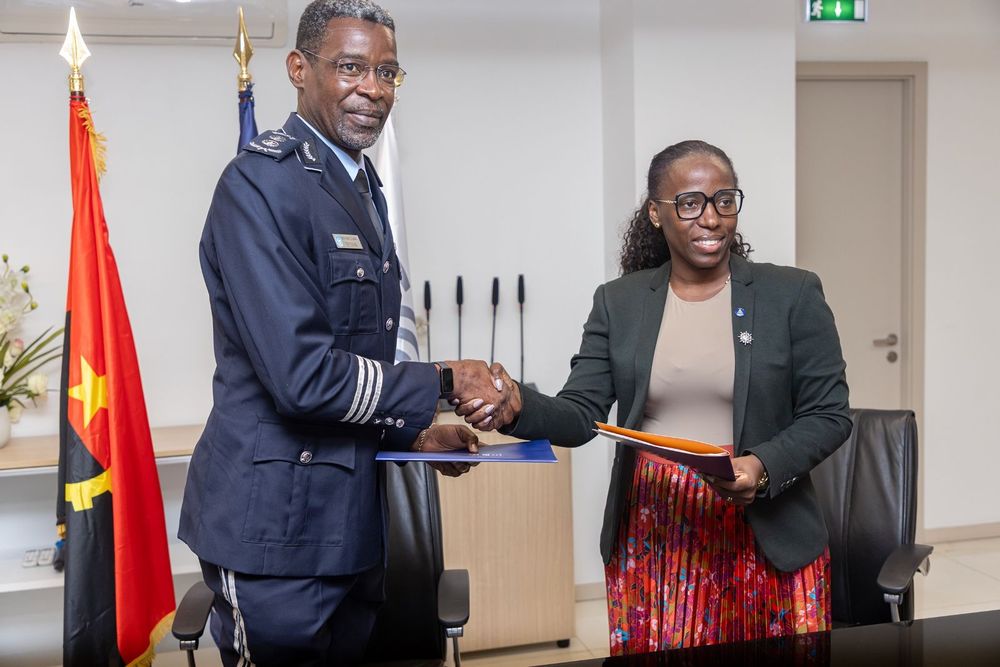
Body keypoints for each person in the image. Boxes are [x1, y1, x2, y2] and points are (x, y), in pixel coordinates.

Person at [178, 1, 510, 663]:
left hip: (354, 525)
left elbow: (363, 357)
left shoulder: (361, 187)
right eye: (351, 67)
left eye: (387, 72)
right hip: (276, 530)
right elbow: (303, 378)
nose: (373, 89)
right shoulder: (258, 187)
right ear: (299, 69)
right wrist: (444, 380)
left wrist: (415, 435)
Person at [460, 140, 851, 653]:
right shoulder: (619, 302)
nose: (710, 218)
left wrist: (761, 467)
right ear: (655, 213)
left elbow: (829, 414)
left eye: (724, 200)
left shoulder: (792, 294)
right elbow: (580, 414)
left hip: (765, 530)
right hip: (656, 529)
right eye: (689, 203)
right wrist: (517, 406)